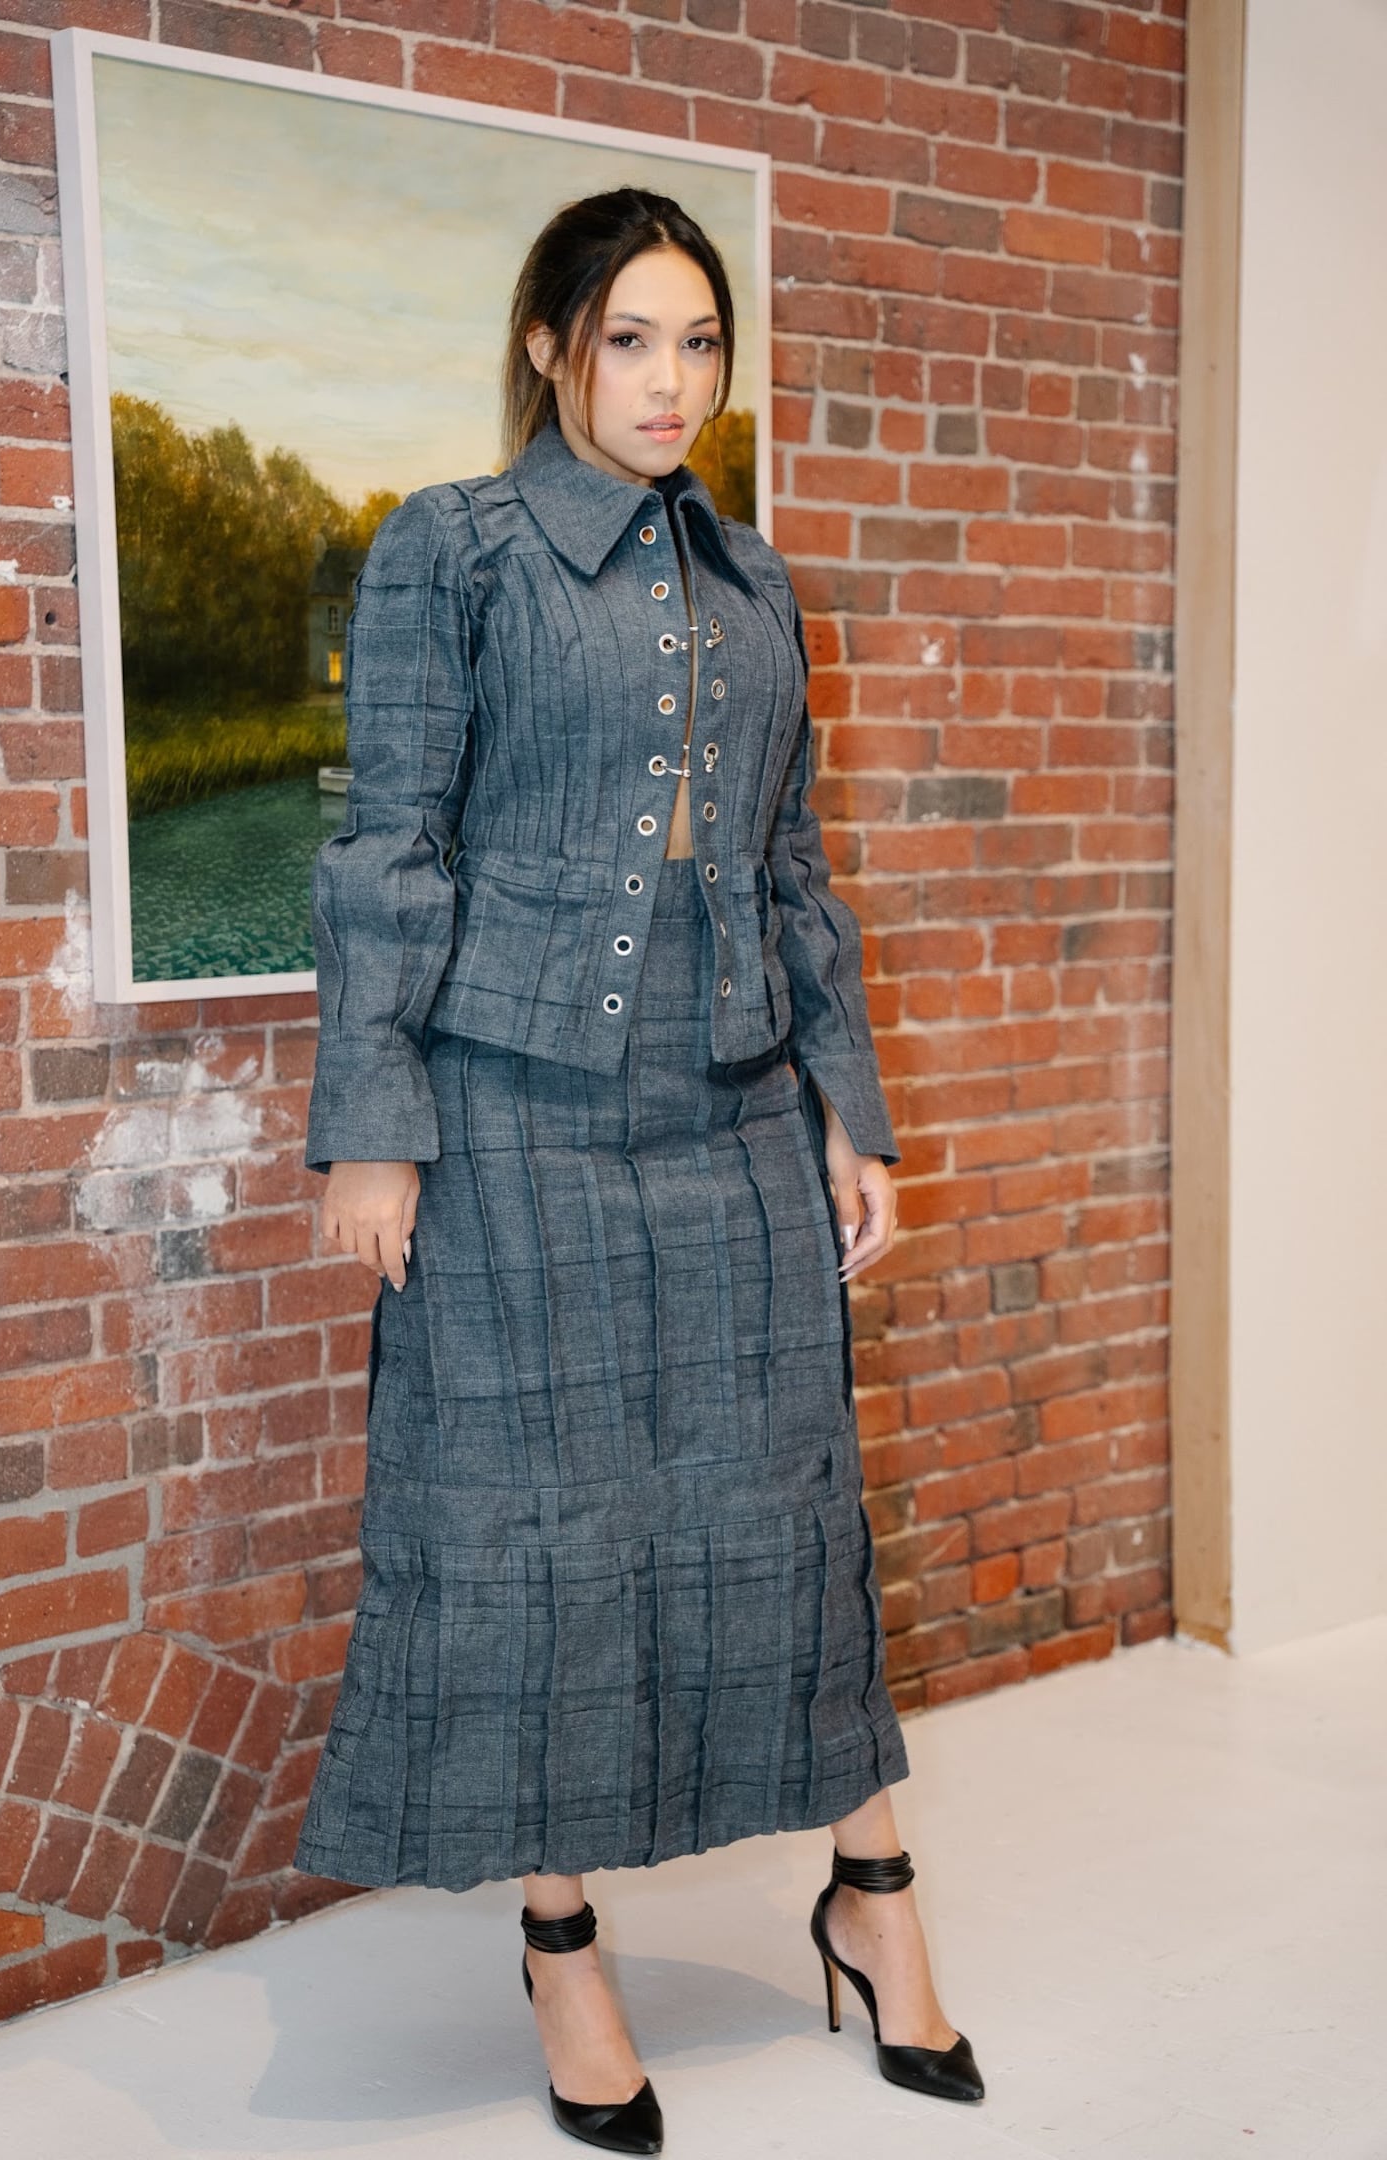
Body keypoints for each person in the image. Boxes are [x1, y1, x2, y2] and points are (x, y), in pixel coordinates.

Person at [292, 186, 984, 2152]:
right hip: (511, 1121)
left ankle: (871, 1890)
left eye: (699, 343)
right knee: (538, 1532)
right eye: (628, 341)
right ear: (550, 347)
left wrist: (852, 1111)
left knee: (789, 1507)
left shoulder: (757, 582)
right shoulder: (458, 550)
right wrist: (375, 1130)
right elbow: (384, 849)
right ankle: (561, 1937)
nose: (670, 382)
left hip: (737, 1110)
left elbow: (791, 872)